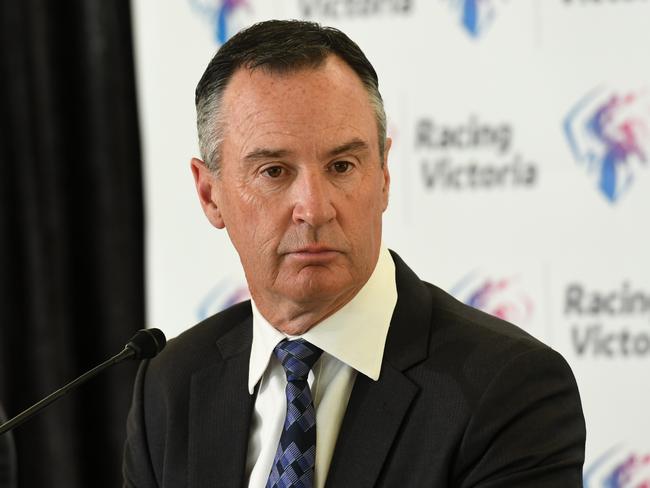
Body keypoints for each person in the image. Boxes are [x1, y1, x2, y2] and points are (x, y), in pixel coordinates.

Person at [123, 20, 586, 487]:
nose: (315, 208)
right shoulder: (170, 387)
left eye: (342, 166)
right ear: (209, 194)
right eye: (275, 171)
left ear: (383, 176)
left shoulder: (506, 387)